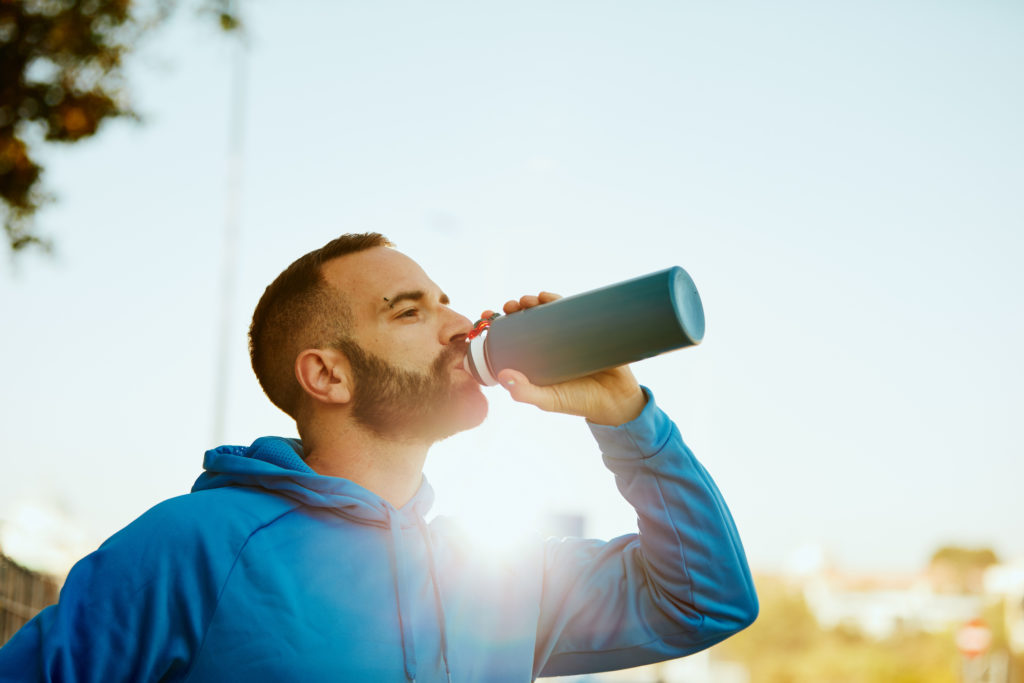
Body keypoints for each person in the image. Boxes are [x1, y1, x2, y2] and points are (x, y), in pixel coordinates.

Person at [0, 233, 758, 682]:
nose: (462, 326)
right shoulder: (193, 545)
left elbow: (708, 599)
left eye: (446, 300)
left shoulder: (504, 577)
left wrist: (625, 417)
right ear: (326, 373)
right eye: (410, 310)